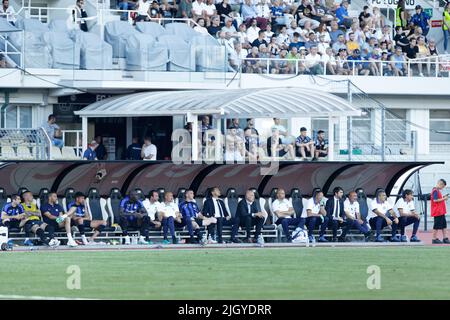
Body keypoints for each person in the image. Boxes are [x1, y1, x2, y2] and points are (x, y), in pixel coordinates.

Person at [431, 179, 449, 244]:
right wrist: (444, 198)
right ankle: (434, 238)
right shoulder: (435, 191)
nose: (443, 188)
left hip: (441, 211)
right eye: (443, 186)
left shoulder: (437, 191)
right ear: (440, 184)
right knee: (436, 225)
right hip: (437, 212)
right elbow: (435, 200)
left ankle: (445, 238)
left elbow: (438, 199)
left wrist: (443, 197)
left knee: (444, 225)